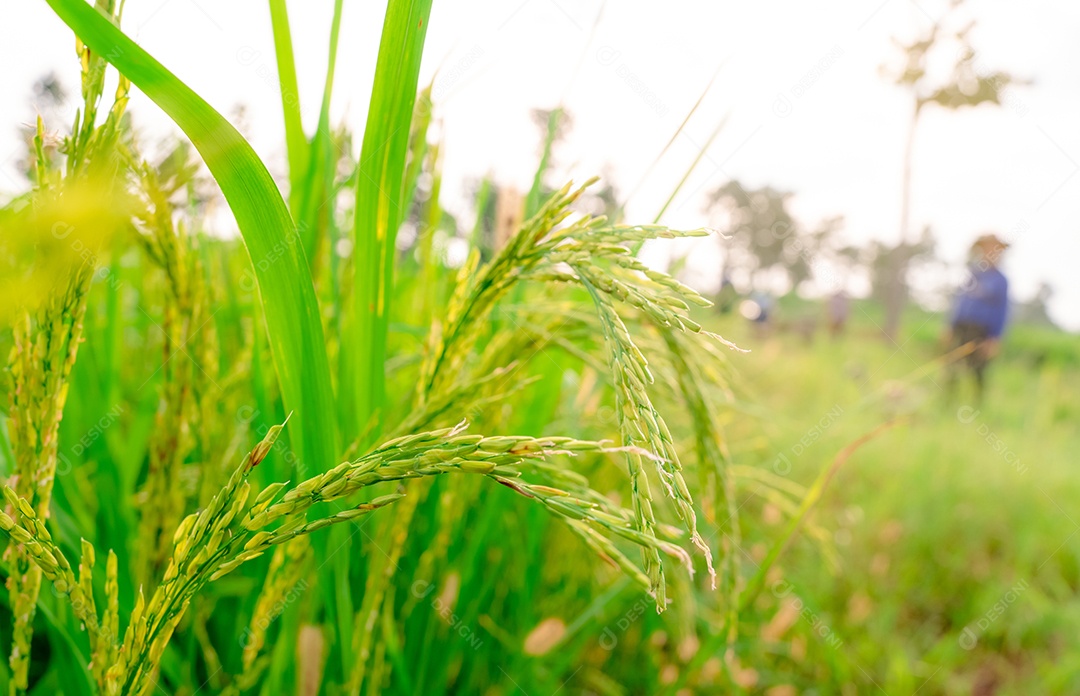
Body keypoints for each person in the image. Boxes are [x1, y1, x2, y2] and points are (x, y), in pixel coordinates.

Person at [944, 233, 1010, 403]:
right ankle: (948, 401)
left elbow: (1002, 311)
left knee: (978, 370)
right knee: (952, 366)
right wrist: (950, 326)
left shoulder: (1000, 280)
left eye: (995, 249)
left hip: (981, 331)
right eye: (987, 248)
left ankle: (977, 404)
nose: (991, 252)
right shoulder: (972, 275)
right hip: (962, 326)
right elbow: (960, 302)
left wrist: (994, 338)